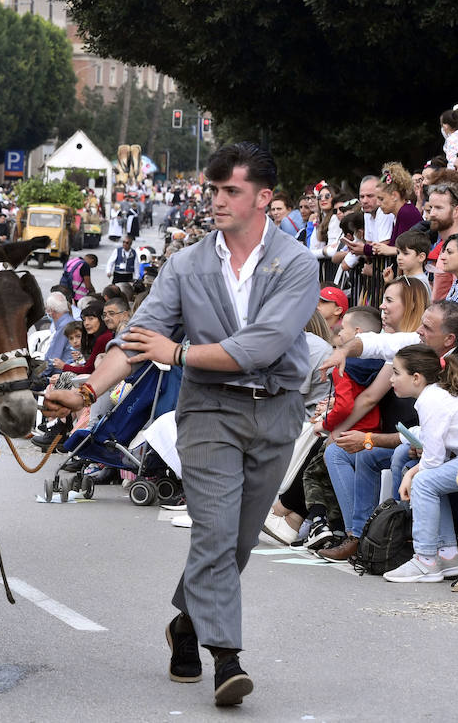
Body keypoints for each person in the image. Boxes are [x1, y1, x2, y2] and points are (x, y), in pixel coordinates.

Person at [44, 142, 317, 708]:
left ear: (263, 198)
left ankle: (187, 624)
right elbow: (136, 340)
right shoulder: (186, 264)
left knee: (239, 540)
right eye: (212, 190)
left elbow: (261, 346)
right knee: (215, 531)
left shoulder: (296, 263)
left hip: (275, 407)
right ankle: (228, 659)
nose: (216, 200)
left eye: (230, 191)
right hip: (209, 410)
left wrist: (179, 352)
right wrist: (88, 390)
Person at [386, 345, 458, 582]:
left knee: (423, 481)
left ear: (416, 378)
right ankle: (448, 555)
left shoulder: (431, 399)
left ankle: (425, 560)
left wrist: (409, 476)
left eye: (396, 373)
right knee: (428, 481)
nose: (391, 379)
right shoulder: (435, 394)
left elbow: (432, 460)